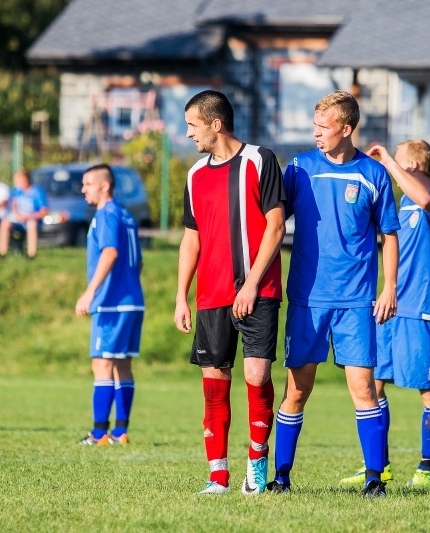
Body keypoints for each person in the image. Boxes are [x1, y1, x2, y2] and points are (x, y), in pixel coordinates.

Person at [268, 91, 400, 499]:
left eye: (323, 127)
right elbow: (271, 220)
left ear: (346, 129)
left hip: (357, 301)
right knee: (297, 390)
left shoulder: (373, 174)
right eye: (314, 126)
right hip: (308, 299)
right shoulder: (300, 168)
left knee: (363, 389)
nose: (316, 133)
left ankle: (375, 478)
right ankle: (282, 477)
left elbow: (389, 235)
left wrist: (389, 287)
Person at [173, 90, 286, 495]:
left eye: (192, 125)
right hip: (212, 296)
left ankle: (257, 463)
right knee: (214, 380)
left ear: (215, 124)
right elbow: (191, 239)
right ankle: (217, 475)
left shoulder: (261, 160)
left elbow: (276, 227)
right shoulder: (195, 174)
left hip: (260, 290)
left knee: (257, 375)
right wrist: (180, 295)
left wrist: (252, 283)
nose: (187, 134)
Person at [340, 140, 430, 489]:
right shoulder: (403, 203)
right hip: (390, 310)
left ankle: (425, 469)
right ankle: (379, 465)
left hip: (423, 312)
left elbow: (425, 199)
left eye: (400, 162)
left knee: (429, 391)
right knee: (372, 385)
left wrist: (388, 161)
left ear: (416, 166)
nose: (394, 167)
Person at [75, 164, 144, 446]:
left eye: (88, 183)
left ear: (105, 186)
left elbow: (111, 252)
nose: (83, 189)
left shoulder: (106, 214)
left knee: (101, 365)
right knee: (122, 366)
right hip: (133, 302)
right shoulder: (127, 215)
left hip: (112, 303)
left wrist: (90, 291)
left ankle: (100, 433)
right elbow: (138, 261)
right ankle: (120, 431)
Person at [0, 169, 49, 259]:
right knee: (5, 223)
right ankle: (2, 253)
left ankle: (31, 254)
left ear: (27, 179)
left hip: (32, 218)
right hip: (18, 217)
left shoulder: (37, 191)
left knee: (31, 224)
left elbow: (44, 211)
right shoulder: (16, 191)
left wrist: (28, 216)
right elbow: (13, 206)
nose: (18, 183)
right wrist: (18, 215)